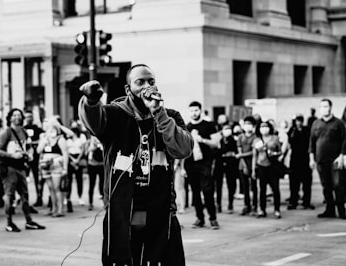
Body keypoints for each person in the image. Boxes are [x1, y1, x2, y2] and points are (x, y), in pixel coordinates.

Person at [79, 64, 193, 266]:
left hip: (162, 211)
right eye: (140, 82)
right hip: (123, 212)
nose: (147, 86)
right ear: (128, 89)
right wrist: (91, 101)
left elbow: (183, 149)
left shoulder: (170, 116)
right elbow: (94, 122)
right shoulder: (115, 113)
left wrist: (159, 114)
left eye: (151, 81)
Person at [0, 108, 45, 232]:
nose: (17, 117)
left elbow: (29, 146)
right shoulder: (5, 133)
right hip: (9, 167)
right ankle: (9, 222)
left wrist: (30, 153)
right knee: (9, 195)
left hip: (21, 166)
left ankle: (29, 221)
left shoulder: (24, 131)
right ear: (10, 118)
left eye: (19, 115)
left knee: (24, 195)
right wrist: (12, 155)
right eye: (14, 115)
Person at [309, 99, 346, 219]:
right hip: (321, 161)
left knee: (337, 186)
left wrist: (342, 155)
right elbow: (311, 143)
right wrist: (311, 159)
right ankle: (330, 210)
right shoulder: (316, 124)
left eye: (326, 106)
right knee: (326, 187)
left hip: (335, 161)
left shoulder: (338, 123)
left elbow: (345, 141)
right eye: (321, 106)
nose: (324, 109)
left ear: (330, 108)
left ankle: (341, 210)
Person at [186, 101, 220, 229]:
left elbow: (216, 143)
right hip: (190, 163)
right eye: (192, 110)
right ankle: (199, 218)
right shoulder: (186, 127)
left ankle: (213, 218)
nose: (194, 113)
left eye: (196, 110)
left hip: (205, 163)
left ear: (200, 111)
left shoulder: (209, 125)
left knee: (208, 191)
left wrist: (202, 140)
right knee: (195, 192)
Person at [36, 117, 69, 217]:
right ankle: (54, 208)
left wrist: (65, 168)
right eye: (49, 129)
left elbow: (65, 154)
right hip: (45, 165)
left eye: (53, 129)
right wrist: (44, 141)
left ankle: (60, 209)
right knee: (50, 188)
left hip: (56, 165)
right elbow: (38, 151)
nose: (51, 131)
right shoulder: (45, 139)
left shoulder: (61, 139)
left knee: (57, 187)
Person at [252, 121, 283, 218]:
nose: (264, 129)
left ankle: (277, 209)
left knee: (275, 189)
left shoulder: (275, 138)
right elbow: (254, 155)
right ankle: (262, 209)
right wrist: (253, 169)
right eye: (262, 127)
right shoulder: (257, 140)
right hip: (261, 165)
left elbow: (280, 151)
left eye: (266, 127)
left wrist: (275, 155)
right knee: (262, 189)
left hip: (272, 166)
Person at [287, 114, 314, 210]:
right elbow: (290, 141)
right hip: (295, 159)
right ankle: (293, 201)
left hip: (305, 158)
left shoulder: (307, 130)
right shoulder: (292, 130)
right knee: (294, 183)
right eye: (297, 121)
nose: (299, 123)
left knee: (307, 183)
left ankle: (306, 202)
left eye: (300, 121)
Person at [237, 116, 259, 215]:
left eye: (249, 124)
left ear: (253, 126)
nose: (247, 126)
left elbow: (253, 152)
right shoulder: (240, 137)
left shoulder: (256, 137)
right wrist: (244, 164)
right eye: (245, 124)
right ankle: (247, 205)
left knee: (254, 187)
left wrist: (241, 155)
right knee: (245, 186)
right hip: (242, 165)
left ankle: (255, 205)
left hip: (253, 165)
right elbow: (239, 151)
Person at [215, 124, 239, 214]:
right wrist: (225, 152)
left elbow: (234, 151)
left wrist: (223, 152)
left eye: (229, 129)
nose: (227, 130)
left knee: (231, 184)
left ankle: (230, 204)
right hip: (219, 163)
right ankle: (218, 204)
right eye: (225, 129)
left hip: (230, 164)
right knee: (218, 185)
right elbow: (216, 152)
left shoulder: (233, 140)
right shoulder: (219, 140)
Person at [66, 121, 88, 211]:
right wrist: (72, 159)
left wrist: (77, 159)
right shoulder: (68, 136)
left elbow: (83, 148)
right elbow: (66, 149)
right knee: (69, 179)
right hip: (70, 158)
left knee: (79, 179)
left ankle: (80, 197)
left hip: (78, 157)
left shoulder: (81, 136)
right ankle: (68, 198)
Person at [24, 111, 44, 208]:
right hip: (25, 158)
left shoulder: (38, 129)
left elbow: (42, 139)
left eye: (30, 117)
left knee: (37, 179)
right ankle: (24, 199)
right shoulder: (22, 129)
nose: (29, 119)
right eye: (27, 117)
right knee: (24, 179)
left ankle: (39, 197)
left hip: (36, 158)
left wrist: (32, 143)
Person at [86, 134, 104, 211]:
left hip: (101, 164)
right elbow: (86, 152)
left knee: (102, 184)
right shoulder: (90, 141)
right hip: (92, 164)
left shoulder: (103, 140)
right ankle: (90, 203)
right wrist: (92, 147)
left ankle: (104, 202)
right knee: (91, 184)